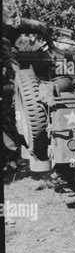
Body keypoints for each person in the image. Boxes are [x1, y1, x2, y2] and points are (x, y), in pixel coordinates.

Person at [2, 37, 21, 172]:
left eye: (4, 49)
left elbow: (19, 85)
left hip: (9, 103)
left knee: (10, 130)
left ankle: (13, 159)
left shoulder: (12, 65)